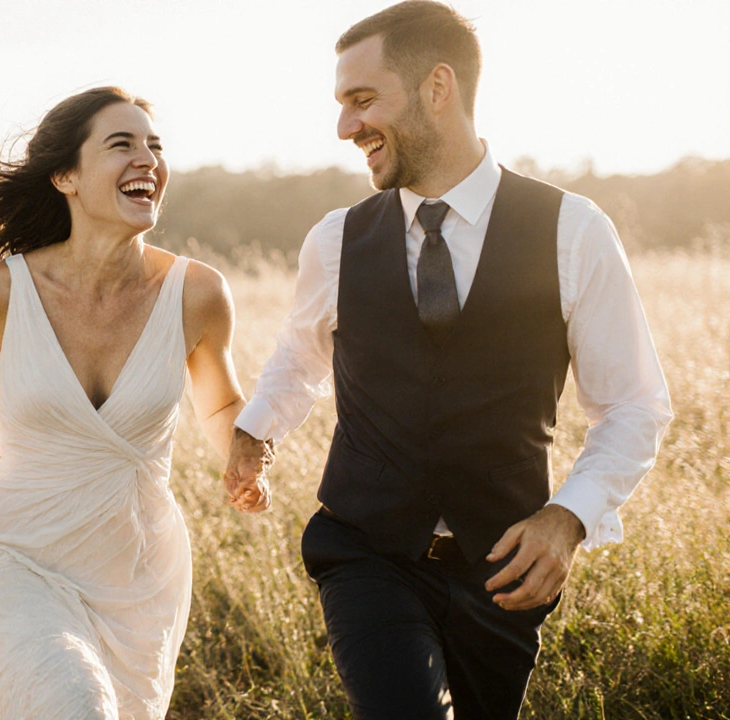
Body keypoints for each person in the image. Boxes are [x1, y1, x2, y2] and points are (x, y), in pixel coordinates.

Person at [223, 2, 673, 718]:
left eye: (362, 100)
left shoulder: (573, 231)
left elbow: (633, 406)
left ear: (439, 87)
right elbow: (297, 360)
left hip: (505, 571)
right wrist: (256, 434)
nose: (345, 127)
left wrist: (568, 519)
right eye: (341, 105)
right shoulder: (334, 241)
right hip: (363, 551)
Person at [0, 86, 268, 719]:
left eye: (155, 145)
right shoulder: (0, 291)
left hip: (136, 572)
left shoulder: (198, 293)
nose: (146, 159)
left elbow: (218, 405)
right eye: (121, 144)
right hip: (18, 552)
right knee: (77, 705)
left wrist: (244, 449)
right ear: (66, 175)